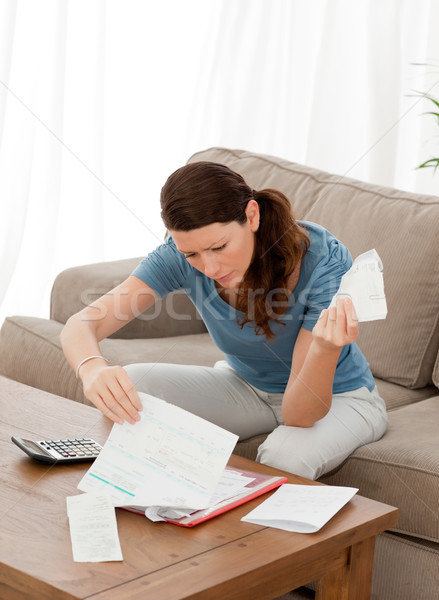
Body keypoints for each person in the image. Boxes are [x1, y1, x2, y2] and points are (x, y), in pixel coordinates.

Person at [60, 161, 388, 480]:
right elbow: (83, 324)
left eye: (219, 246)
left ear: (252, 215)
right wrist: (91, 369)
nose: (210, 268)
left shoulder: (323, 260)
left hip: (338, 399)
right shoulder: (177, 256)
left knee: (284, 456)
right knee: (130, 387)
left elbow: (299, 415)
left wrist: (325, 348)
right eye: (192, 255)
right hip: (245, 387)